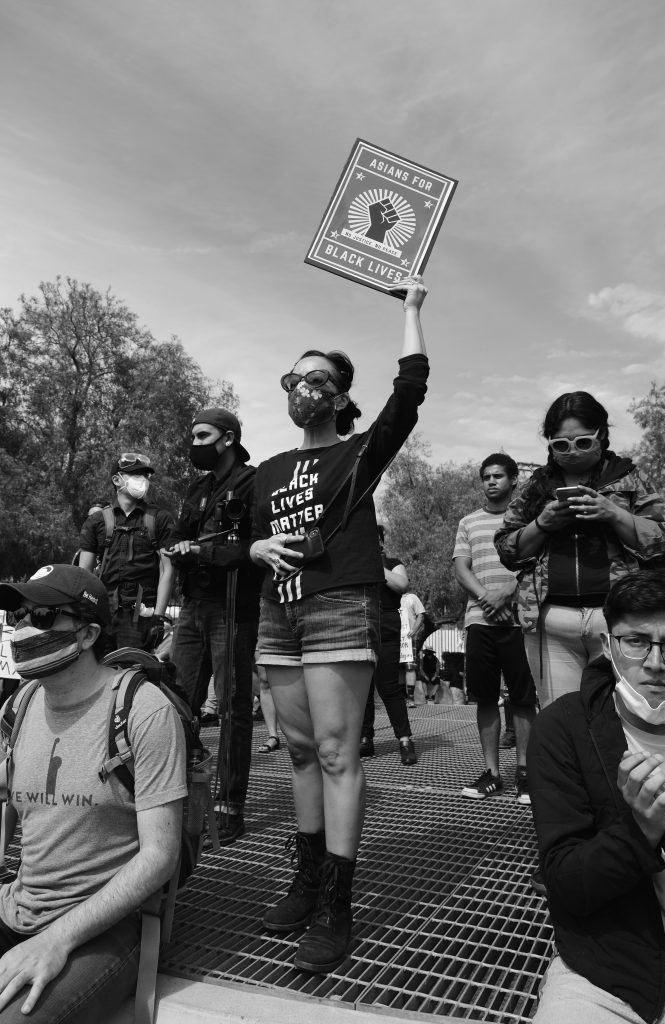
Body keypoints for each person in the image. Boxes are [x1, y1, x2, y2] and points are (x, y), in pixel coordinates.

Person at [249, 276, 428, 974]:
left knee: (334, 752)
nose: (305, 388)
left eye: (319, 379)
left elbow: (408, 393)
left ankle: (335, 905)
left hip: (337, 604)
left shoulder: (356, 456)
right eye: (296, 377)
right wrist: (255, 547)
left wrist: (411, 310)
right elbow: (236, 542)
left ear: (340, 397)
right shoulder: (267, 470)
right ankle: (303, 878)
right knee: (297, 753)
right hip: (277, 609)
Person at [0, 564, 185, 1023]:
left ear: (88, 635)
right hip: (18, 906)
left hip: (105, 928)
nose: (23, 628)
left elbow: (161, 856)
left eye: (42, 615)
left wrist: (57, 939)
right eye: (18, 614)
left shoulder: (142, 711)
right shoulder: (17, 706)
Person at [528, 571, 665, 1024]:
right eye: (636, 641)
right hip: (606, 974)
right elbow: (567, 885)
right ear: (607, 643)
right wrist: (640, 830)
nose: (655, 662)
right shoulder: (563, 728)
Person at [495, 392, 665, 710]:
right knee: (560, 718)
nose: (572, 452)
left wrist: (614, 514)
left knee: (623, 715)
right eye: (561, 445)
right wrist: (542, 523)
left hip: (619, 621)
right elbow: (506, 548)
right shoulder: (535, 488)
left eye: (582, 442)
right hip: (551, 622)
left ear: (601, 436)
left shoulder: (630, 480)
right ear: (549, 443)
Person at [165, 408, 263, 844]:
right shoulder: (197, 488)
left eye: (202, 435)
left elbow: (254, 547)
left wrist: (204, 552)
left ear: (228, 438)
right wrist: (181, 547)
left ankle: (229, 807)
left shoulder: (252, 481)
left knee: (232, 708)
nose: (195, 442)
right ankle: (177, 796)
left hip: (232, 609)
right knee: (178, 703)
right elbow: (177, 540)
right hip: (193, 608)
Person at [453, 453, 537, 802]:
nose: (491, 481)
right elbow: (461, 569)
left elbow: (537, 565)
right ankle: (492, 773)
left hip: (519, 621)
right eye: (486, 476)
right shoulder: (468, 522)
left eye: (498, 476)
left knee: (523, 699)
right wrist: (488, 597)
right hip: (480, 621)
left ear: (514, 480)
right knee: (485, 698)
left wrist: (508, 593)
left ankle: (526, 773)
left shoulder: (528, 521)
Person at [78, 453, 176, 651]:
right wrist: (84, 612)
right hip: (101, 613)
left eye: (145, 475)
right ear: (117, 480)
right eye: (135, 474)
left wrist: (158, 617)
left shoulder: (160, 518)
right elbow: (84, 574)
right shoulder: (96, 521)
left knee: (131, 674)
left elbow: (168, 570)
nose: (143, 480)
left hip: (140, 616)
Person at [359, 525, 417, 766]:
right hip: (360, 623)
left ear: (381, 542)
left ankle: (404, 740)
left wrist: (376, 564)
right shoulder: (356, 563)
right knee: (363, 688)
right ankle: (365, 738)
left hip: (387, 624)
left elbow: (401, 585)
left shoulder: (393, 562)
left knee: (389, 686)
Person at [399, 591, 425, 706]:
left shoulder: (412, 597)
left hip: (409, 639)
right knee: (398, 668)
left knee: (410, 667)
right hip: (394, 637)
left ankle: (410, 698)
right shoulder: (391, 597)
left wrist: (414, 629)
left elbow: (421, 614)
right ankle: (401, 698)